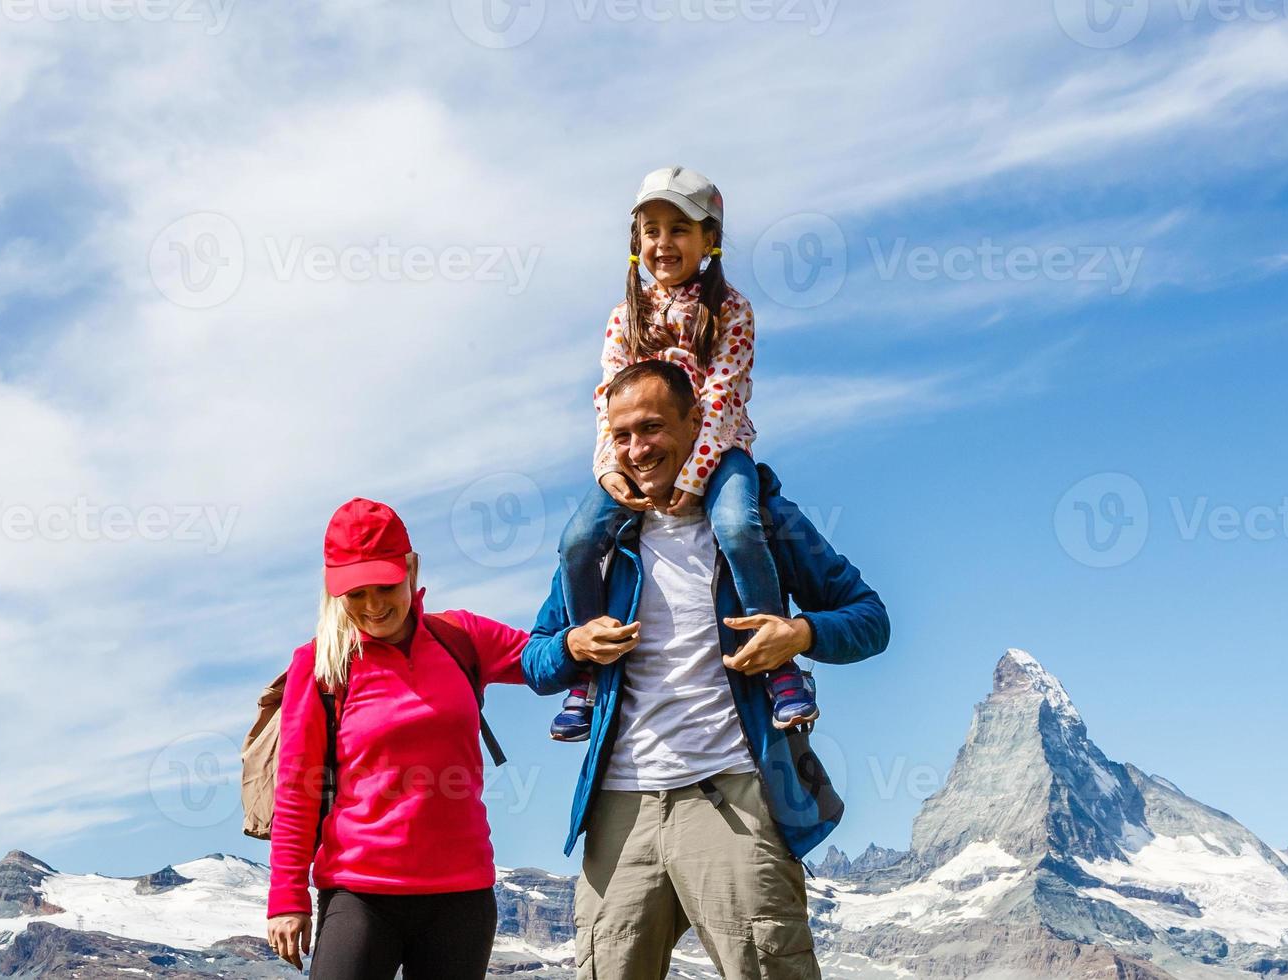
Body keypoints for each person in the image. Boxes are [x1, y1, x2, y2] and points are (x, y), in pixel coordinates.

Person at [521, 359, 890, 978]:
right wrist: (574, 647)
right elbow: (536, 659)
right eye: (622, 435)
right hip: (619, 808)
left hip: (736, 795)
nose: (638, 449)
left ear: (698, 421)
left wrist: (799, 633)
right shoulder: (601, 542)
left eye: (653, 428)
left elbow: (870, 619)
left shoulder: (760, 521)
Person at [550, 165, 819, 743]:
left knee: (740, 527)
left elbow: (721, 396)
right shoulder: (626, 316)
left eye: (679, 229)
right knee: (578, 540)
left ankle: (778, 663)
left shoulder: (731, 310)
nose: (663, 243)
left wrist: (692, 479)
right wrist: (608, 466)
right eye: (651, 230)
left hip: (720, 452)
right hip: (638, 454)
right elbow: (608, 397)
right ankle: (590, 671)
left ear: (709, 239)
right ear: (635, 241)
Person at [265, 498, 530, 979]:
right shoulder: (321, 664)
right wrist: (287, 896)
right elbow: (297, 788)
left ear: (410, 568)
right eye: (355, 593)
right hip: (360, 893)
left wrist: (582, 641)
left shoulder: (461, 637)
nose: (373, 606)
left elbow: (549, 660)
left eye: (385, 586)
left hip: (461, 897)